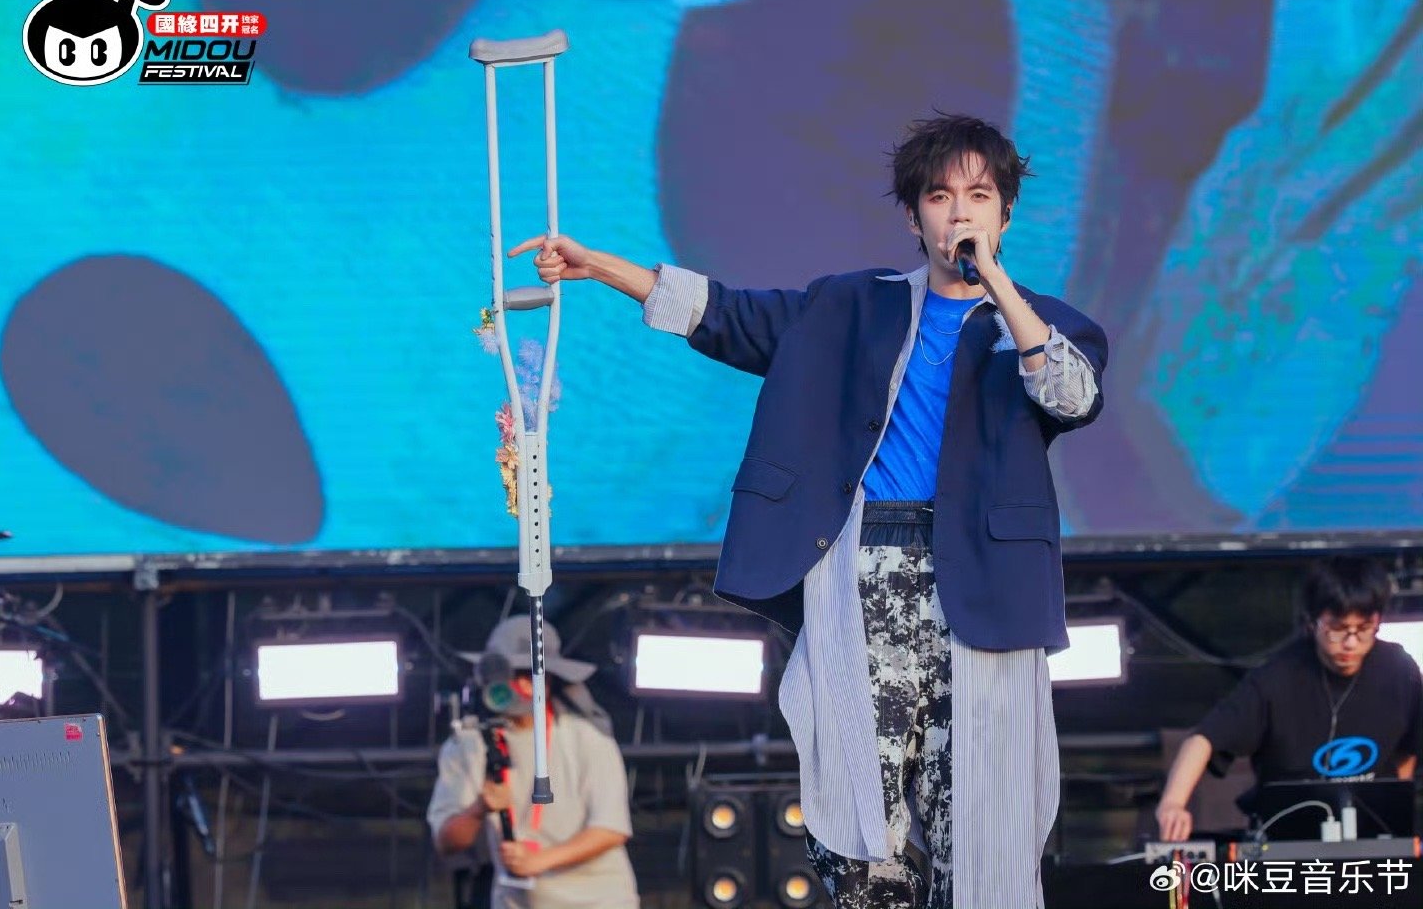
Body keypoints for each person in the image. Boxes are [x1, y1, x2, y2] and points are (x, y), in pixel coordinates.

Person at [510, 113, 1107, 908]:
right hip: (863, 572)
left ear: (1005, 213)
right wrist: (599, 268)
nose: (958, 213)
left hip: (987, 585)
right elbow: (726, 315)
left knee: (982, 817)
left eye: (978, 196)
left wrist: (996, 285)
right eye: (939, 196)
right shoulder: (852, 306)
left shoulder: (1047, 324)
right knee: (853, 825)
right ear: (914, 216)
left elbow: (1071, 396)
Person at [1155, 558, 1422, 842]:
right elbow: (1204, 739)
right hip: (1286, 834)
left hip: (1375, 834)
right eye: (1337, 628)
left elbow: (1411, 745)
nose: (1351, 643)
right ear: (1312, 621)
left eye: (1364, 628)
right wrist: (1172, 803)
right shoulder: (1277, 677)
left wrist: (1392, 802)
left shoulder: (1399, 669)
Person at [427, 616, 639, 908]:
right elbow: (446, 842)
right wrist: (479, 808)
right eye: (515, 674)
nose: (526, 685)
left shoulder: (588, 735)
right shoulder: (467, 744)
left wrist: (540, 861)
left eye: (535, 674)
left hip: (600, 901)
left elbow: (611, 828)